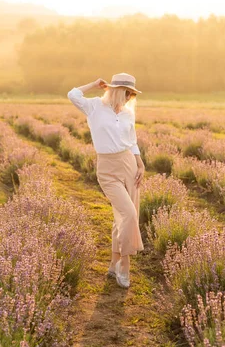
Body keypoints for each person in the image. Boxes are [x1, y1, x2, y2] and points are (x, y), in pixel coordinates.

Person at [67, 72, 145, 289]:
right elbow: (72, 94)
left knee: (123, 216)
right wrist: (94, 84)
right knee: (128, 214)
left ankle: (113, 263)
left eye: (132, 94)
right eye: (127, 93)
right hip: (107, 169)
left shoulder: (128, 114)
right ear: (117, 90)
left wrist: (140, 164)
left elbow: (132, 141)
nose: (130, 97)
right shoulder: (94, 107)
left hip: (129, 164)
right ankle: (125, 264)